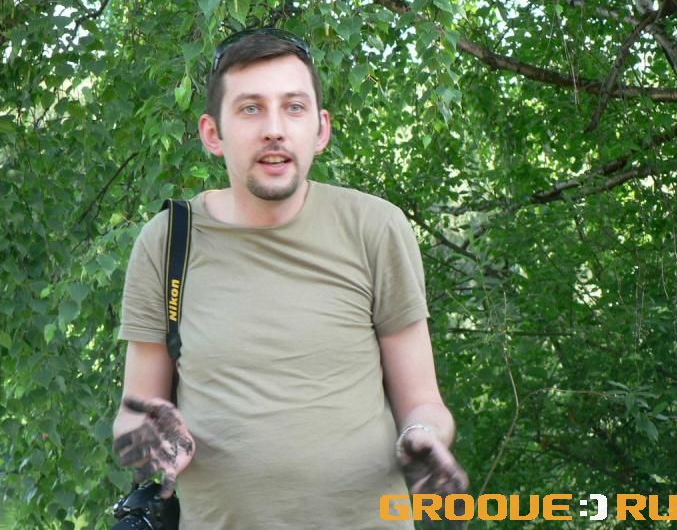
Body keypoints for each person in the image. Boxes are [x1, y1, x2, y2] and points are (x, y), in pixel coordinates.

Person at [112, 27, 468, 529]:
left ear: (320, 130)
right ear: (213, 133)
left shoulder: (375, 228)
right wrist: (148, 440)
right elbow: (134, 413)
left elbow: (424, 404)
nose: (274, 129)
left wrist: (422, 436)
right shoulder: (168, 241)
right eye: (250, 108)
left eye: (294, 107)